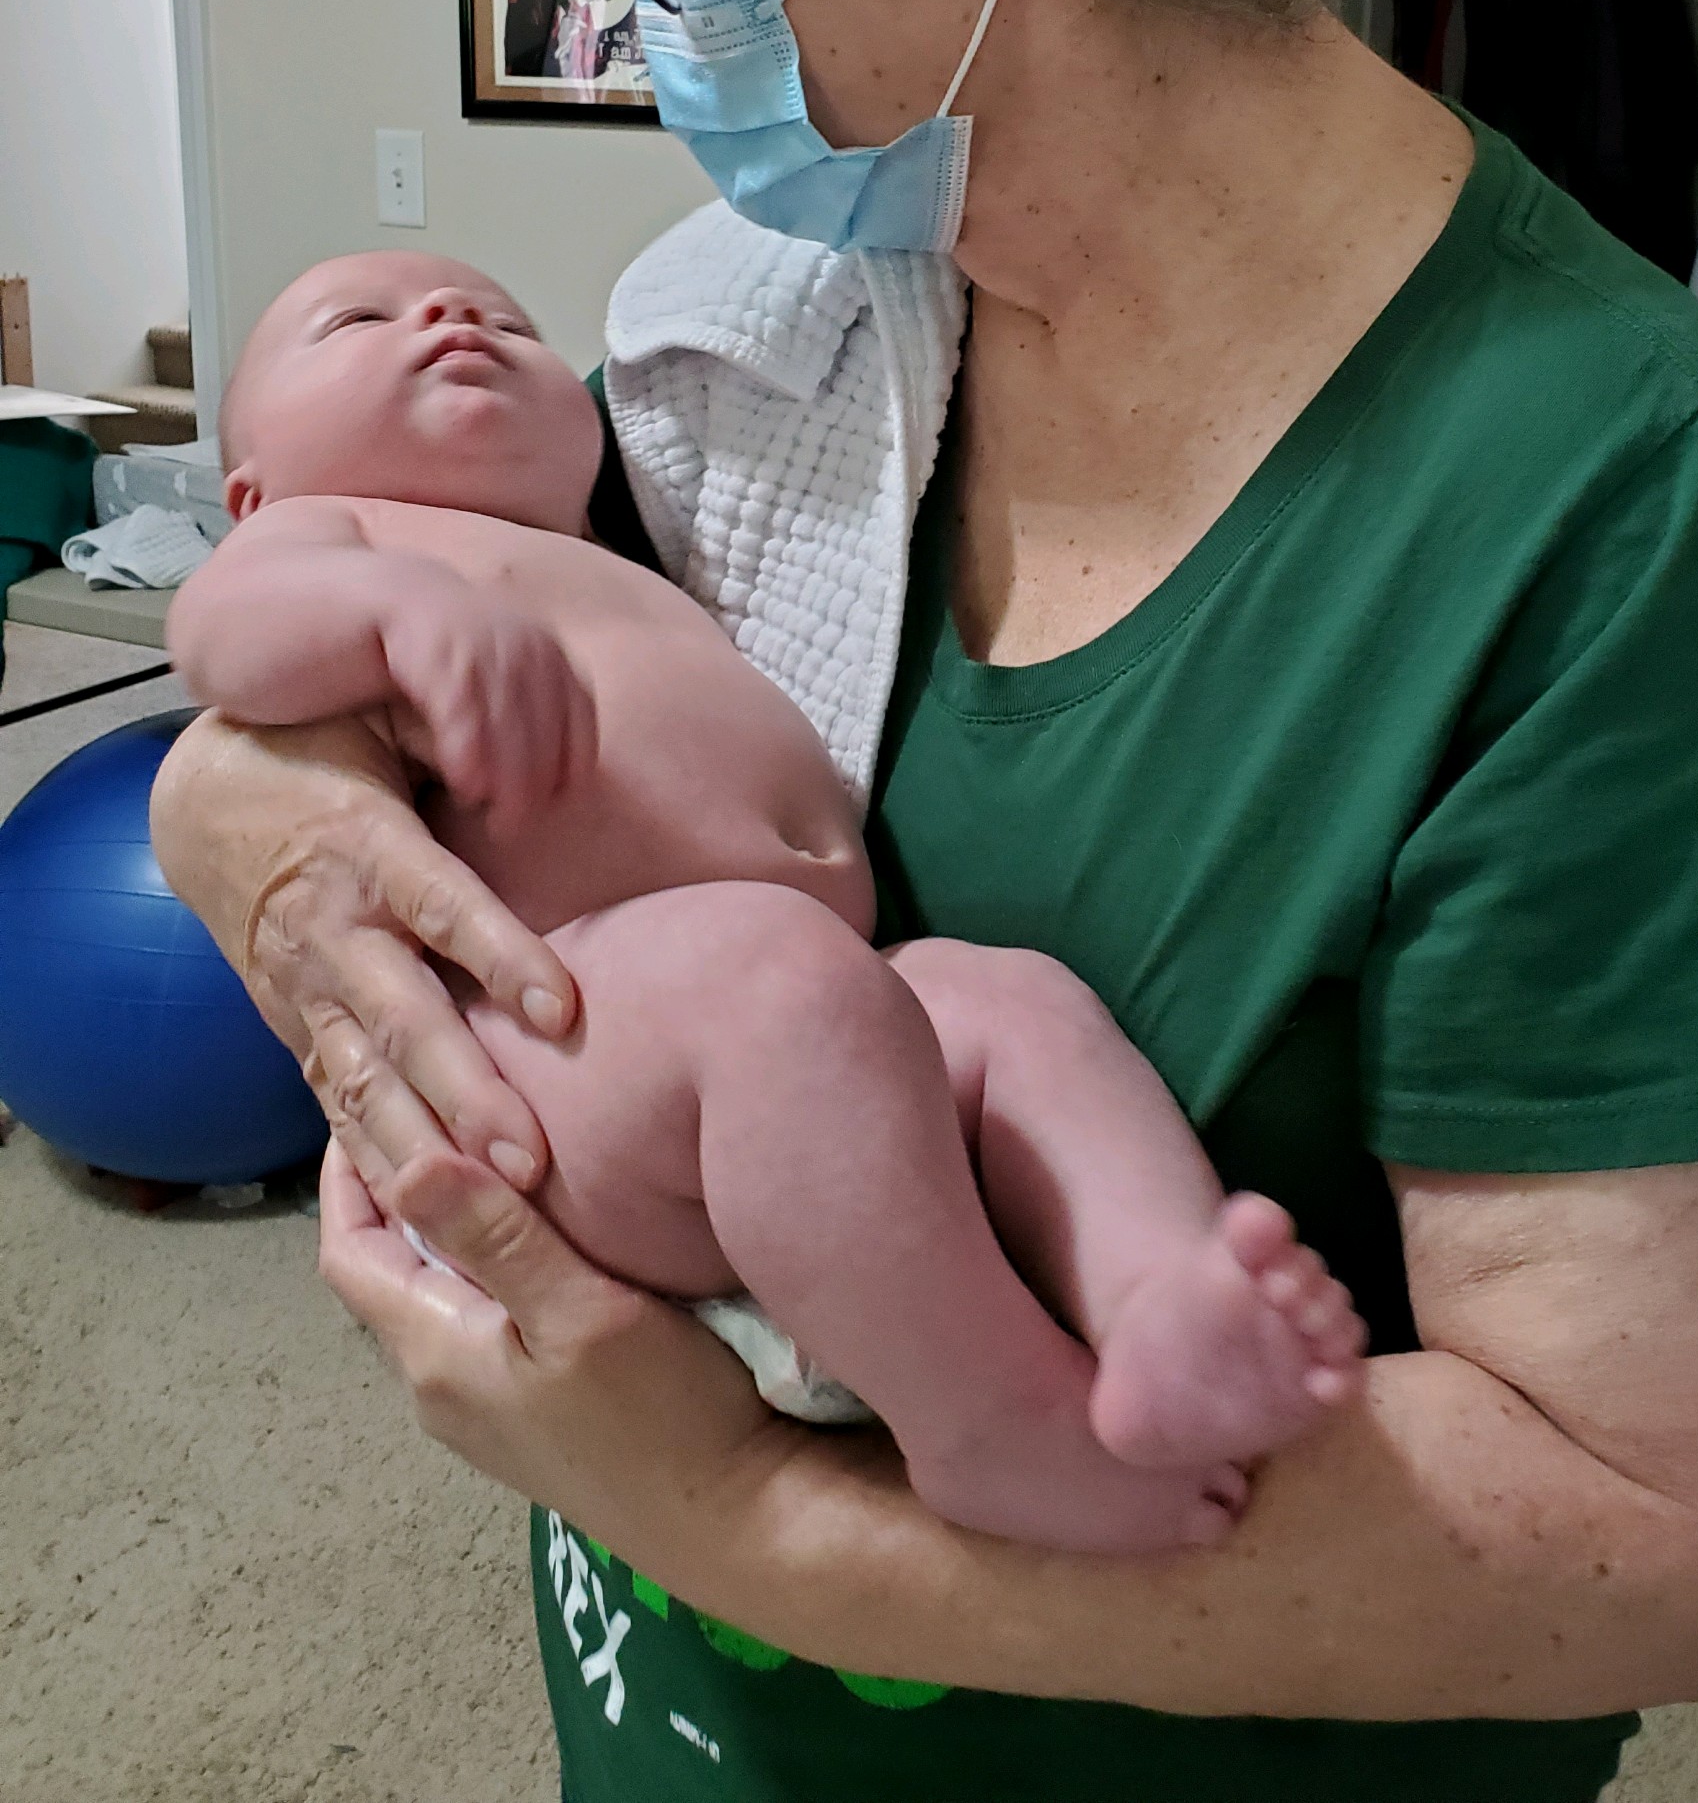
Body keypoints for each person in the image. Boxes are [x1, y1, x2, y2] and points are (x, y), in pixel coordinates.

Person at [151, 0, 1698, 1799]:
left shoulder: (1615, 511)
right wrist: (243, 787)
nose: (638, 1)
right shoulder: (779, 335)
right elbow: (434, 632)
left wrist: (741, 1510)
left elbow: (1686, 1530)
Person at [168, 247, 1364, 1551]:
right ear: (250, 484)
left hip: (800, 1019)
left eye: (503, 317)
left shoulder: (619, 551)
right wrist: (386, 609)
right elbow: (219, 634)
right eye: (357, 321)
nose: (452, 314)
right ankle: (993, 1418)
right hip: (556, 1047)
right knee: (779, 985)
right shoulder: (333, 539)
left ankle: (1161, 1296)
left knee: (1010, 999)